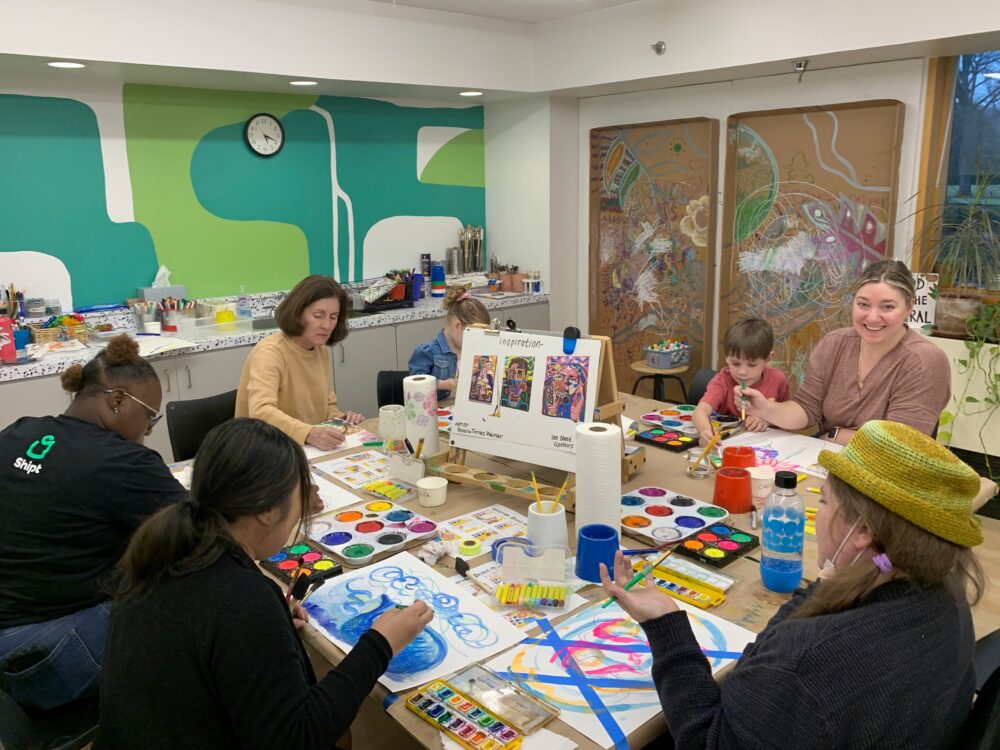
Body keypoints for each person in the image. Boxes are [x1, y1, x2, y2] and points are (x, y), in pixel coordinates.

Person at [601, 420, 984, 749]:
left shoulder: (802, 665)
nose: (819, 517)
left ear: (863, 531)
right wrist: (835, 580)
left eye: (826, 502)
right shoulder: (946, 596)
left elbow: (706, 740)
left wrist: (666, 626)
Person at [99, 418, 433, 749]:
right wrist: (380, 644)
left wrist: (263, 634)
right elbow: (300, 736)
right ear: (268, 510)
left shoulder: (169, 550)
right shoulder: (241, 599)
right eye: (299, 495)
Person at [0, 335, 185, 710]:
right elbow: (204, 530)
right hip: (39, 656)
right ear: (117, 400)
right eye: (149, 417)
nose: (148, 432)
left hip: (10, 631)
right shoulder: (123, 462)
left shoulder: (18, 431)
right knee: (190, 600)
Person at [739, 259, 949, 444]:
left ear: (909, 307)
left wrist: (835, 435)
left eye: (887, 307)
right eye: (863, 304)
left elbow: (900, 444)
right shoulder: (835, 344)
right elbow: (806, 409)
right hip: (829, 456)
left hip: (887, 474)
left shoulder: (924, 360)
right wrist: (765, 409)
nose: (873, 317)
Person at [236, 275, 365, 453]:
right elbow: (261, 412)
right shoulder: (270, 353)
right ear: (298, 313)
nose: (327, 325)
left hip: (305, 449)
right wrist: (310, 433)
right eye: (318, 315)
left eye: (333, 317)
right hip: (266, 451)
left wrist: (341, 419)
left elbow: (326, 406)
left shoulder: (319, 350)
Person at [693, 318, 790, 444]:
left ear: (768, 358)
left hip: (768, 448)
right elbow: (700, 410)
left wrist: (767, 419)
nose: (742, 372)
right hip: (728, 445)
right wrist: (705, 431)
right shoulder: (722, 381)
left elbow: (788, 416)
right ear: (726, 357)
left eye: (752, 365)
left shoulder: (777, 380)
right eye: (735, 363)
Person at [408, 285, 490, 400]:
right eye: (474, 336)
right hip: (434, 411)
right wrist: (443, 384)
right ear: (458, 326)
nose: (477, 342)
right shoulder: (427, 351)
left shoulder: (472, 350)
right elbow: (416, 383)